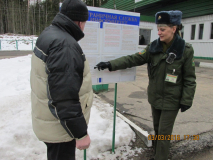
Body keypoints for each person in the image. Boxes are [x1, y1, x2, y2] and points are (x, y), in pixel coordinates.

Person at [95, 10, 196, 160]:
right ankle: (157, 154)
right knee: (157, 129)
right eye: (158, 29)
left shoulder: (185, 50)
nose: (159, 33)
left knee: (164, 132)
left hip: (172, 100)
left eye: (162, 29)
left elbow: (189, 78)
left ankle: (160, 157)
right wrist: (110, 64)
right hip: (155, 98)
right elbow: (133, 59)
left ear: (173, 29)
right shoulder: (153, 48)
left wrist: (187, 100)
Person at [30, 0, 93, 159]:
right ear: (79, 21)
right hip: (60, 129)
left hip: (52, 122)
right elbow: (64, 97)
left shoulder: (50, 34)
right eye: (85, 22)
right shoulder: (64, 45)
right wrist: (80, 133)